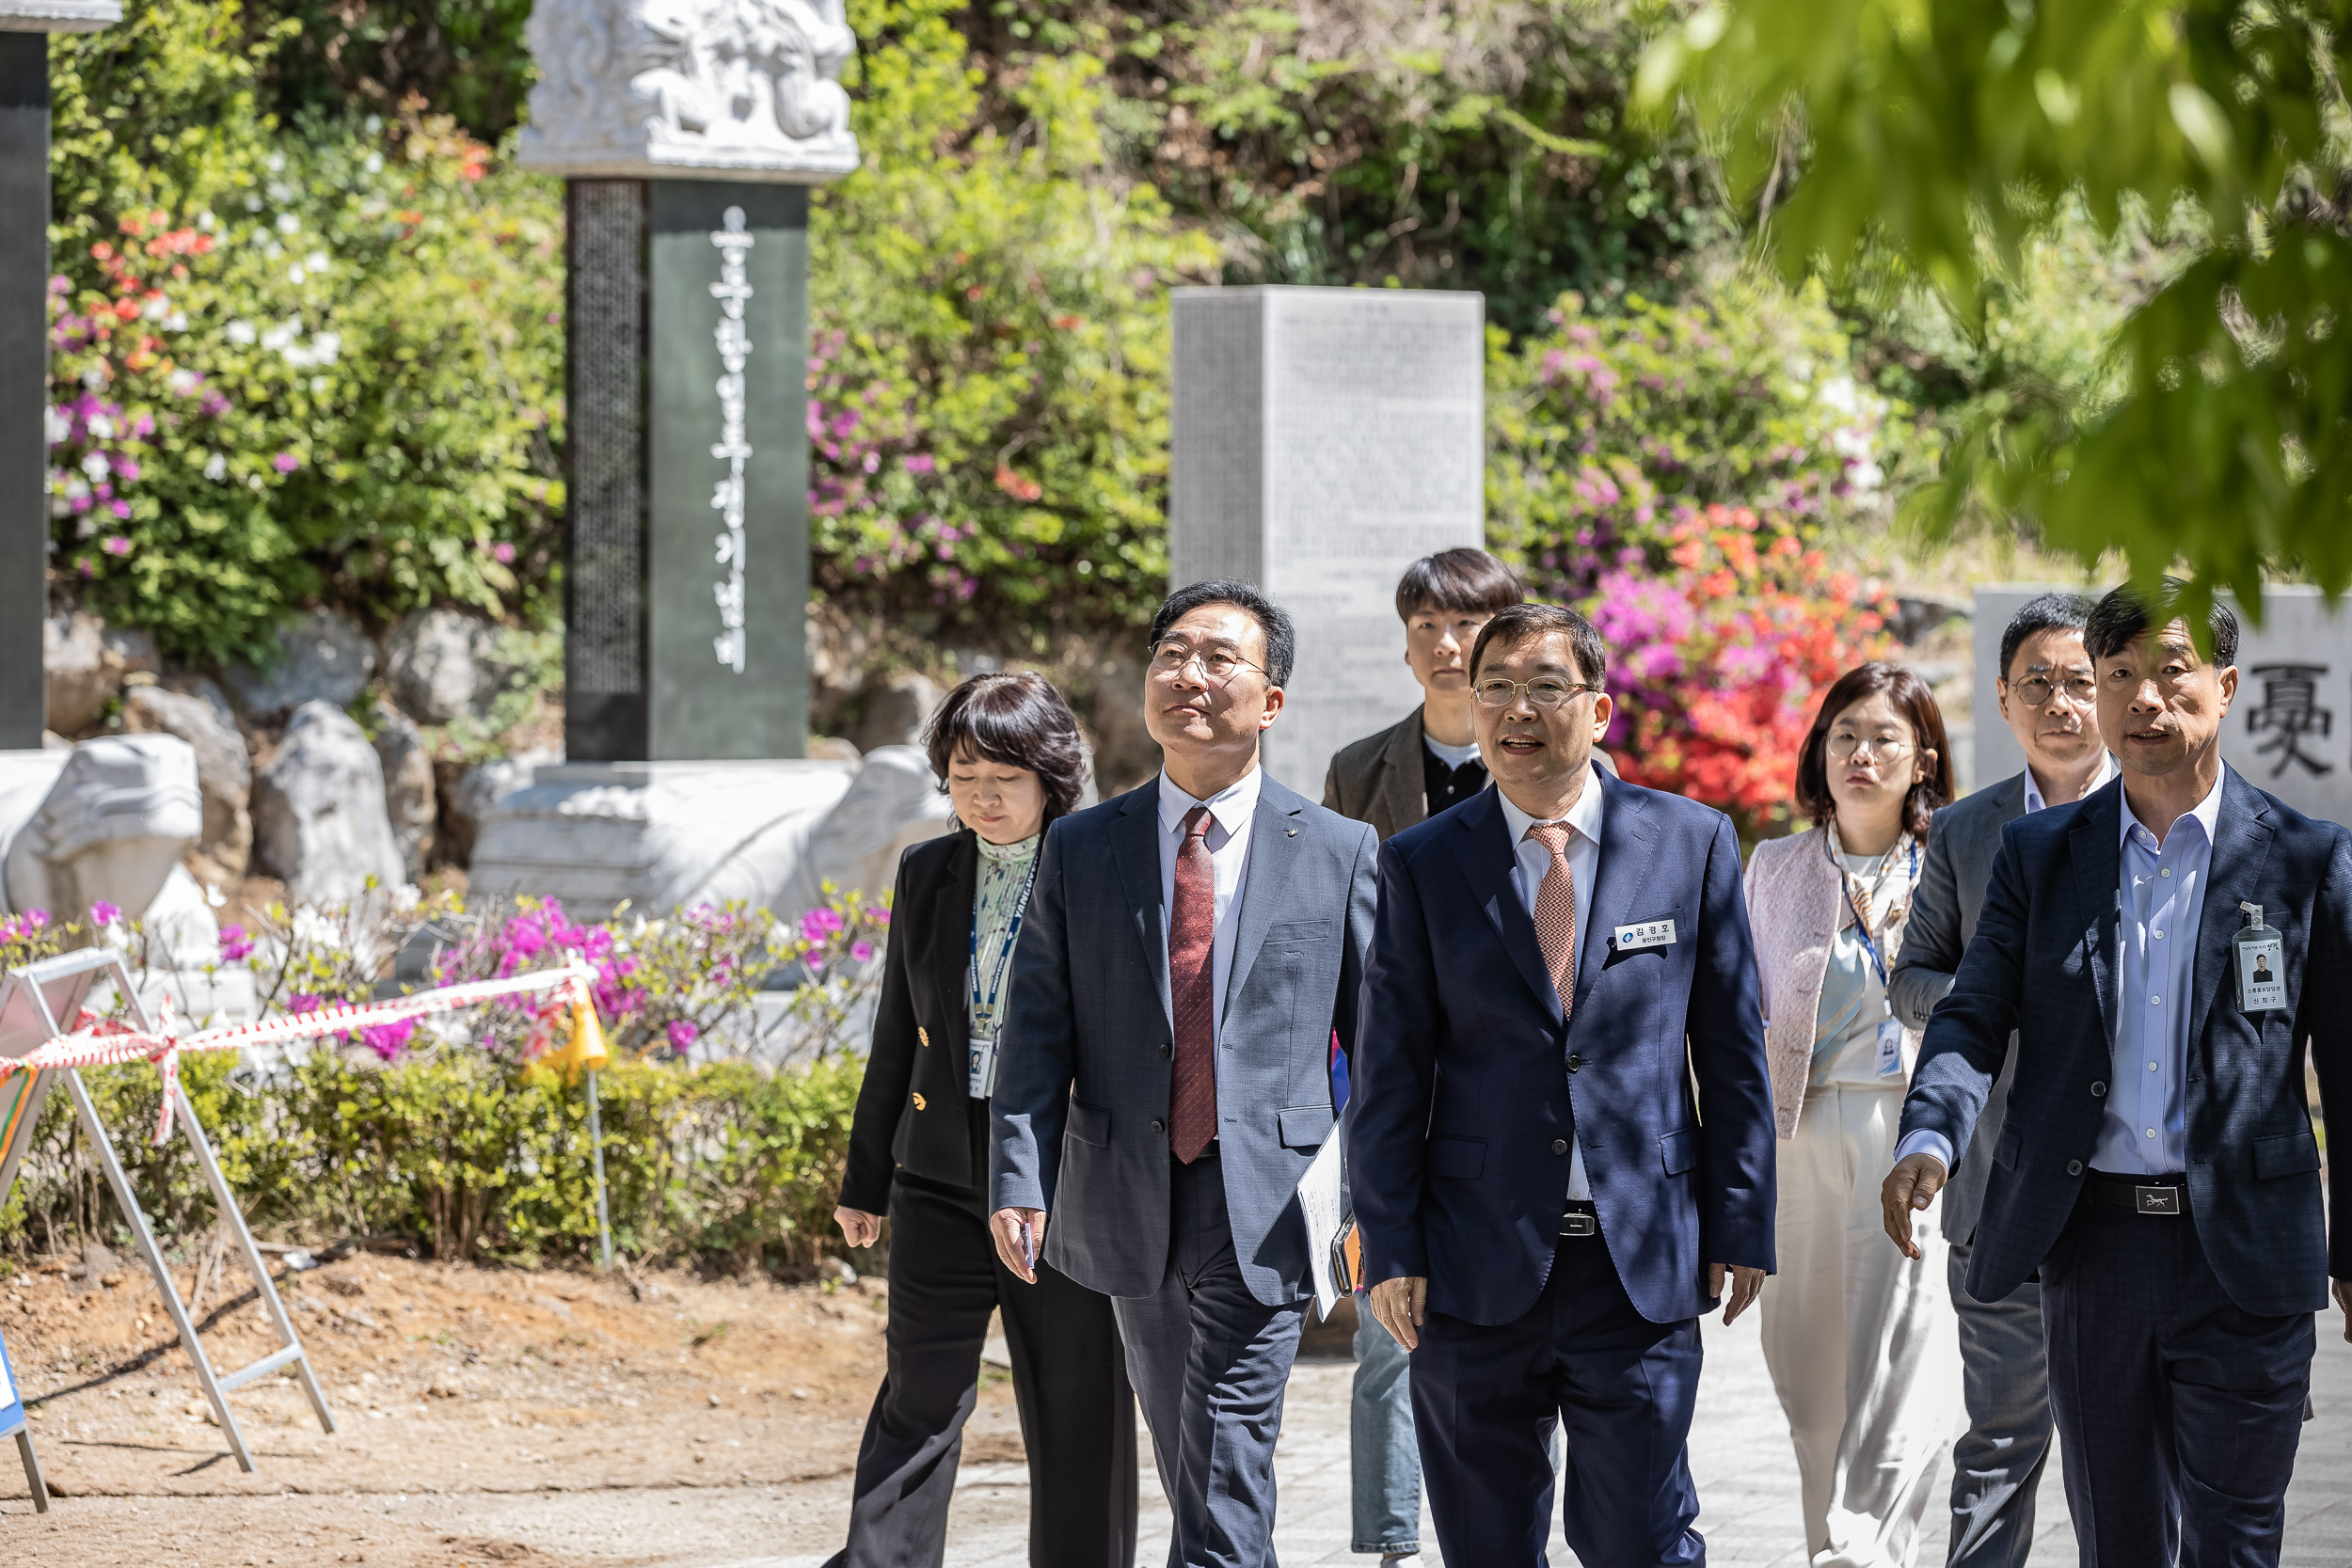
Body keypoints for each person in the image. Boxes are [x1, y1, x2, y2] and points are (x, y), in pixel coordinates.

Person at [1885, 579, 2352, 1567]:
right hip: (2090, 1250)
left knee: (2233, 1542)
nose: (2143, 697)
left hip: (2245, 1255)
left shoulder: (2307, 862)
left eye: (2169, 671)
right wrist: (1928, 1133)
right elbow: (1973, 1013)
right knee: (2119, 1543)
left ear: (2224, 686)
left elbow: (2346, 1076)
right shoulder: (2037, 855)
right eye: (2119, 676)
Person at [1349, 600, 1778, 1567]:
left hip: (1638, 1264)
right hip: (1467, 1268)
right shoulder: (1421, 861)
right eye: (1493, 686)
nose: (1514, 708)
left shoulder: (1690, 840)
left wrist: (1740, 1220)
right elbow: (1387, 1071)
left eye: (1544, 686)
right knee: (1485, 1541)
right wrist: (1390, 1241)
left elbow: (1730, 1051)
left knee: (1640, 1536)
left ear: (1599, 709)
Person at [989, 579, 1378, 1568]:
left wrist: (1380, 1194)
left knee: (1226, 1451)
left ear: (1271, 700)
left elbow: (1380, 1043)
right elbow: (1035, 1028)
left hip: (1270, 1196)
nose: (1187, 676)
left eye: (1217, 658)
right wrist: (1018, 1176)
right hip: (1125, 1187)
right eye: (1171, 654)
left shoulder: (1337, 849)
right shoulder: (1081, 846)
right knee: (1187, 1451)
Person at [828, 673, 1138, 1568]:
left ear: (1051, 775)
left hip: (1062, 1177)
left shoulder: (1099, 865)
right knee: (918, 1393)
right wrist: (865, 1181)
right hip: (936, 1172)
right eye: (965, 775)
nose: (984, 796)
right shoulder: (927, 870)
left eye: (1005, 775)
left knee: (1077, 1403)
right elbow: (897, 1031)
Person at [1887, 593, 2111, 1568]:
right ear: (2003, 699)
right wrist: (2003, 988)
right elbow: (1911, 980)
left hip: (2126, 1199)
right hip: (1998, 1186)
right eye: (2038, 684)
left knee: (2127, 1451)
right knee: (2004, 1439)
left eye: (2079, 681)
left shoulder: (2162, 817)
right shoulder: (1966, 831)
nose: (2060, 702)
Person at [1320, 546, 1522, 1565]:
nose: (1447, 646)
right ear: (1406, 648)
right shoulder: (1361, 772)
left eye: (1467, 625)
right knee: (1384, 1323)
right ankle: (1394, 1540)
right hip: (1392, 1088)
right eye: (1427, 628)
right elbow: (1330, 939)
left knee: (1529, 1324)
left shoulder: (1563, 762)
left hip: (1519, 1091)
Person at [1743, 662, 1961, 1567]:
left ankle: (1857, 1549)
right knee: (1808, 1371)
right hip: (1796, 1135)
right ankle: (1834, 1540)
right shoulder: (1775, 865)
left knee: (1898, 1361)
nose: (1860, 754)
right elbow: (1735, 1017)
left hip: (1908, 1137)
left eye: (1884, 738)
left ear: (1923, 759)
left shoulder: (1954, 857)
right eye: (1843, 736)